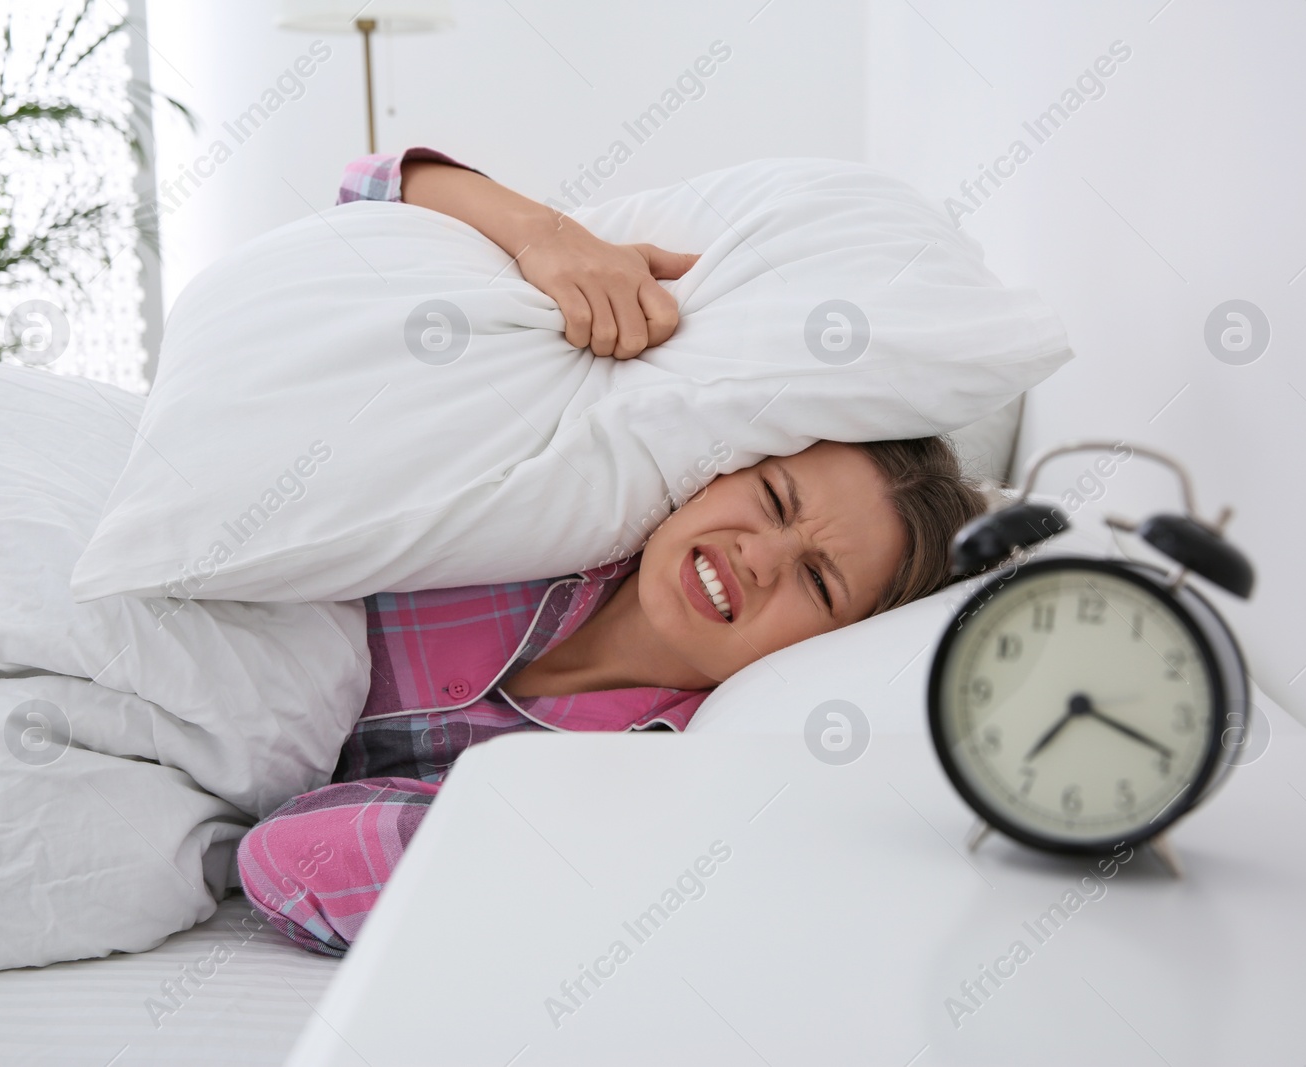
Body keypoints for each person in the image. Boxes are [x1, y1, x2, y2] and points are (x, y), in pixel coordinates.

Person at [235, 149, 988, 956]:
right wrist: (547, 237)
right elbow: (365, 195)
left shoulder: (643, 781)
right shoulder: (545, 486)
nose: (761, 557)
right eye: (772, 501)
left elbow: (283, 857)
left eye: (818, 578)